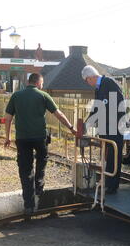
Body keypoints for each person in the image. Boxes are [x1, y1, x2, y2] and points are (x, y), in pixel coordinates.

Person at [4, 73, 76, 215]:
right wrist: (72, 128)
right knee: (42, 161)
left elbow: (7, 118)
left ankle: (29, 206)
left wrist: (8, 137)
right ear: (38, 83)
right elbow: (59, 114)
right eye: (42, 83)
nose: (42, 86)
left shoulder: (16, 96)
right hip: (39, 137)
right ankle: (39, 185)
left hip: (22, 139)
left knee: (25, 171)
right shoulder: (43, 95)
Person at [81, 65, 124, 194]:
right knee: (107, 155)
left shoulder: (109, 83)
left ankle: (112, 185)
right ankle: (108, 182)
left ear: (91, 77)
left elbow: (120, 103)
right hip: (105, 127)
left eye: (87, 80)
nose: (88, 83)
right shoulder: (99, 88)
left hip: (114, 127)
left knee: (113, 155)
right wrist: (86, 125)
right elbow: (96, 108)